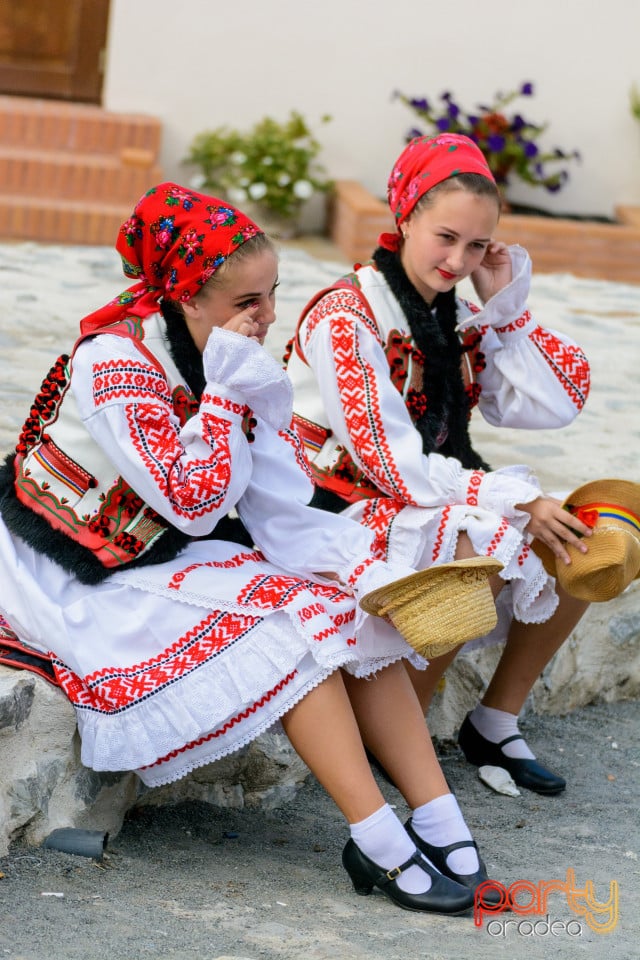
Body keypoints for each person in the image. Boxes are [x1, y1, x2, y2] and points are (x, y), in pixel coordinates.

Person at [0, 182, 501, 916]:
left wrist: (358, 566)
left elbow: (274, 499)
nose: (268, 318)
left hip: (165, 546)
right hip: (80, 561)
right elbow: (194, 501)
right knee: (287, 626)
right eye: (247, 303)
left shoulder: (228, 353)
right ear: (186, 298)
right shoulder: (116, 365)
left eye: (273, 294)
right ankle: (375, 836)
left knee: (343, 608)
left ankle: (437, 815)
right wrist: (228, 397)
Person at [284, 134, 594, 796]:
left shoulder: (461, 315)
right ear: (405, 218)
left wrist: (507, 306)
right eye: (445, 237)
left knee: (589, 534)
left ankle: (495, 719)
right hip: (330, 500)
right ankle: (399, 735)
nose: (458, 260)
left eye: (477, 246)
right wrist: (512, 500)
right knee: (482, 542)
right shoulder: (347, 316)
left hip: (415, 495)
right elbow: (394, 467)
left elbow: (556, 402)